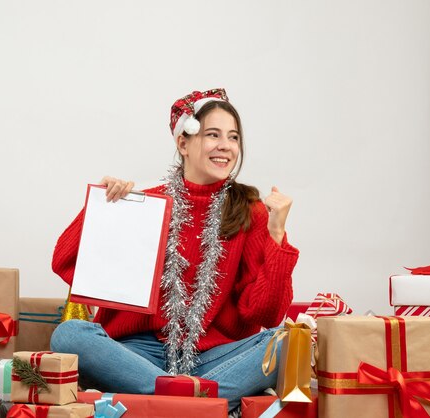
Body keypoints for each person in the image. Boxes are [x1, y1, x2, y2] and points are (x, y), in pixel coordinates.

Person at [50, 88, 299, 411]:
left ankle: (170, 401)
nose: (226, 146)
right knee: (69, 336)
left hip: (215, 357)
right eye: (213, 134)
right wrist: (102, 207)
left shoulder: (250, 212)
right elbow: (64, 261)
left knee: (289, 343)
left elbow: (265, 314)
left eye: (233, 137)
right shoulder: (146, 205)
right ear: (183, 143)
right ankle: (195, 403)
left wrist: (277, 233)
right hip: (139, 354)